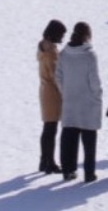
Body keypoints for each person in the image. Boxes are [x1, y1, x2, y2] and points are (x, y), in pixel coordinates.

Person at [56, 21, 102, 183]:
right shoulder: (89, 55)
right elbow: (94, 81)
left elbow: (59, 77)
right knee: (89, 141)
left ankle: (68, 170)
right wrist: (97, 95)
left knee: (69, 137)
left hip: (70, 101)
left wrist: (66, 92)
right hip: (88, 102)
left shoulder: (63, 54)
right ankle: (89, 173)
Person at [36, 19, 67, 174]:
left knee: (48, 128)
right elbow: (57, 77)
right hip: (53, 94)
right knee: (51, 129)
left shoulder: (42, 47)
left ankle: (44, 160)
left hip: (44, 90)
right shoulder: (51, 53)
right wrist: (65, 94)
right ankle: (50, 162)